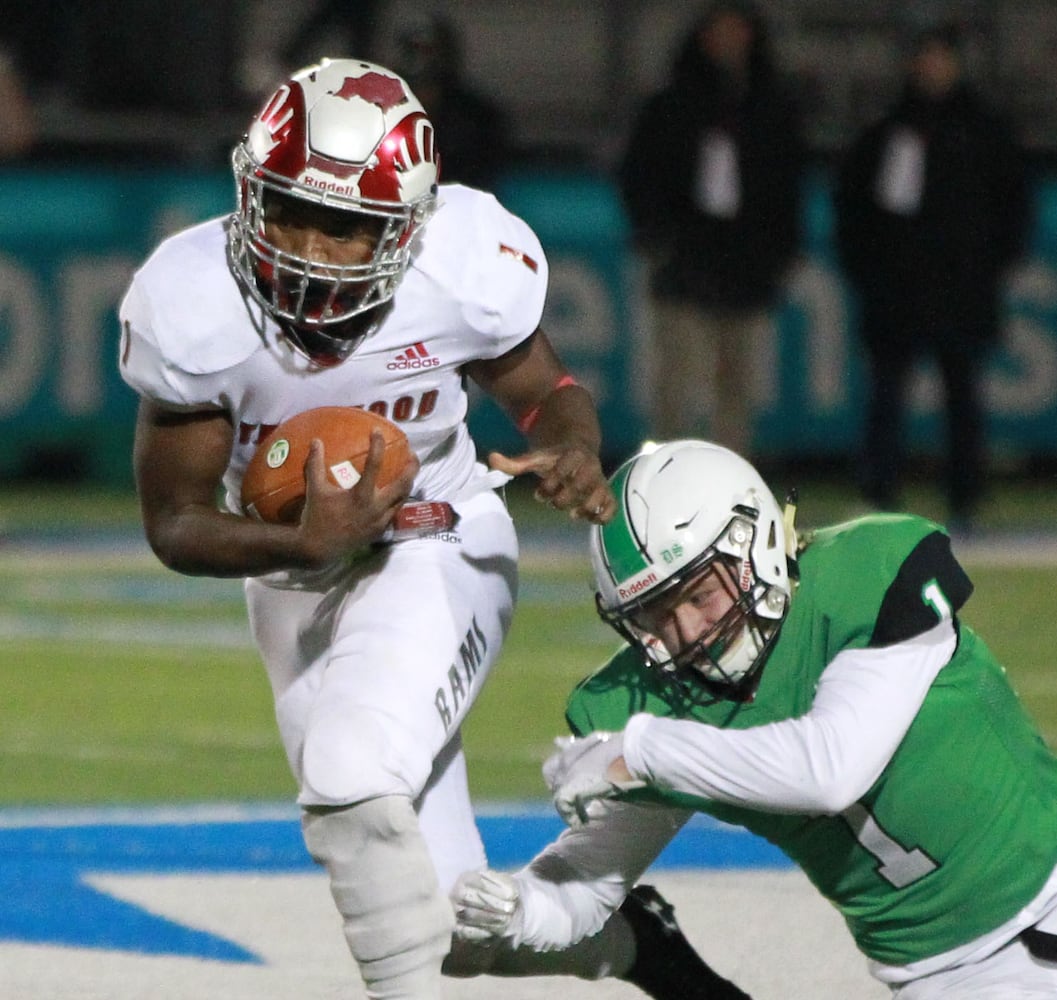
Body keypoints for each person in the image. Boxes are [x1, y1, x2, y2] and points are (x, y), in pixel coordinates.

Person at [118, 57, 735, 1000]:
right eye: (287, 210)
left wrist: (571, 448)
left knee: (349, 773)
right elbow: (174, 521)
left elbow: (549, 394)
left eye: (344, 225)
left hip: (437, 535)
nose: (311, 249)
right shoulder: (196, 299)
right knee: (448, 920)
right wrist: (300, 548)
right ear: (248, 189)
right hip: (292, 582)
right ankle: (629, 944)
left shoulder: (458, 264)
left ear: (407, 227)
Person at [451, 439, 1057, 997]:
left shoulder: (868, 575)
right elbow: (587, 887)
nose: (686, 634)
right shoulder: (652, 700)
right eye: (654, 617)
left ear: (755, 542)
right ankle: (656, 955)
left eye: (697, 596)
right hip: (934, 974)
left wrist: (642, 753)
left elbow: (830, 769)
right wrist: (519, 907)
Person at [835, 21, 1031, 530]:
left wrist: (988, 267)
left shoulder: (983, 131)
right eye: (924, 57)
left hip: (961, 290)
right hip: (896, 292)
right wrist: (869, 271)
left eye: (941, 58)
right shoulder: (885, 131)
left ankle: (965, 498)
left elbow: (1012, 205)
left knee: (962, 396)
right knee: (886, 398)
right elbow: (854, 208)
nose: (932, 68)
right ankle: (879, 496)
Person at [617, 1, 803, 458]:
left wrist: (777, 252)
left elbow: (787, 185)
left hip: (746, 266)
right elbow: (638, 175)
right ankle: (662, 483)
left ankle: (733, 487)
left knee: (738, 386)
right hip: (685, 261)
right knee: (677, 385)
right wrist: (658, 236)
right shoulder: (670, 106)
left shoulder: (770, 109)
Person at [391, 13, 511, 191]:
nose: (420, 61)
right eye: (413, 51)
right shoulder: (383, 116)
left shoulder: (477, 121)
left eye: (428, 52)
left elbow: (483, 183)